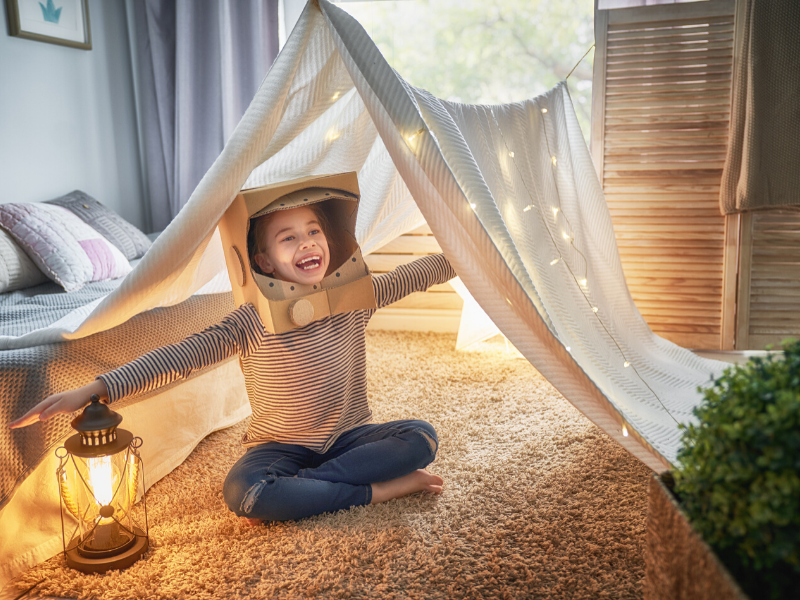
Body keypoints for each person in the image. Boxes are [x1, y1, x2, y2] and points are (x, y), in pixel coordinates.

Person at [10, 196, 456, 525]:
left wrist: (467, 254)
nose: (306, 243)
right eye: (289, 237)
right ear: (264, 260)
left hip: (348, 436)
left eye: (313, 231)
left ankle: (317, 486)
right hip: (281, 448)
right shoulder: (249, 321)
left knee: (422, 438)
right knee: (247, 494)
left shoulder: (352, 299)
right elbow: (178, 357)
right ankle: (372, 492)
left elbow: (413, 275)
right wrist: (96, 388)